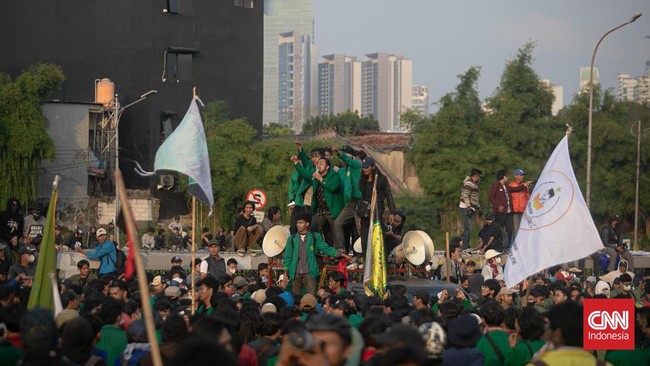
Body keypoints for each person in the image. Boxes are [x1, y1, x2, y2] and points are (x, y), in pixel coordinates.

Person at [283, 212, 350, 295]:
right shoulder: (292, 238)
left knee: (312, 296)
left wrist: (338, 254)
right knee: (295, 296)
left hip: (310, 271)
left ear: (307, 224)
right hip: (295, 272)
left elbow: (326, 248)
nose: (298, 225)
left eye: (301, 223)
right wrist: (285, 272)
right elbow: (288, 256)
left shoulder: (315, 237)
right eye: (297, 223)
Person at [292, 154, 344, 248]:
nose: (318, 165)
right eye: (318, 163)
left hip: (331, 209)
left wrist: (321, 179)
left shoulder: (334, 175)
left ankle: (339, 252)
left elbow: (333, 187)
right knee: (313, 227)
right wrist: (296, 163)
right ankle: (316, 250)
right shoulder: (316, 176)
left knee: (335, 232)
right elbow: (306, 175)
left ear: (327, 167)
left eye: (321, 163)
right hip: (320, 210)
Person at [532, 302, 598, 364]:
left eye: (550, 328)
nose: (548, 332)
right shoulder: (603, 364)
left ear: (557, 334)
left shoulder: (539, 363)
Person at [358, 157, 396, 258]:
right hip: (365, 212)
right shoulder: (362, 179)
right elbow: (361, 196)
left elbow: (389, 195)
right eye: (363, 167)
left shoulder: (382, 179)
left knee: (377, 239)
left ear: (373, 167)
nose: (364, 169)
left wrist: (392, 212)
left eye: (367, 167)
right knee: (365, 242)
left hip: (376, 211)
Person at [332, 146, 364, 253]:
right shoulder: (345, 170)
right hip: (351, 202)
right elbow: (334, 168)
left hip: (359, 201)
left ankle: (365, 253)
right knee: (338, 223)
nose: (343, 159)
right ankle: (341, 249)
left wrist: (338, 152)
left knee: (360, 229)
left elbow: (347, 160)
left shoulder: (357, 165)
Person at [488, 169, 513, 246]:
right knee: (500, 229)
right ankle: (499, 245)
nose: (508, 177)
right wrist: (498, 205)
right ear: (504, 176)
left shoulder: (506, 185)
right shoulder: (496, 185)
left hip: (508, 211)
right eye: (507, 176)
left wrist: (523, 185)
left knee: (509, 229)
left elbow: (513, 189)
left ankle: (508, 246)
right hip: (500, 212)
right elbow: (490, 196)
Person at [459, 168, 482, 250]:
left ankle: (464, 244)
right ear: (475, 176)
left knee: (468, 227)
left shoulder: (474, 184)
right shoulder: (468, 184)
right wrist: (468, 207)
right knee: (468, 227)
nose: (479, 178)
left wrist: (478, 208)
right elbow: (465, 195)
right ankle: (464, 247)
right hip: (465, 207)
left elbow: (475, 198)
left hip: (472, 208)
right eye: (479, 176)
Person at [508, 169, 532, 241]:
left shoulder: (525, 186)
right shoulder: (511, 185)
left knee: (523, 229)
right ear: (516, 176)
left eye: (523, 175)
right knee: (515, 230)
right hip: (514, 211)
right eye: (520, 175)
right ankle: (515, 246)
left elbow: (528, 197)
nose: (522, 176)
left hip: (523, 211)